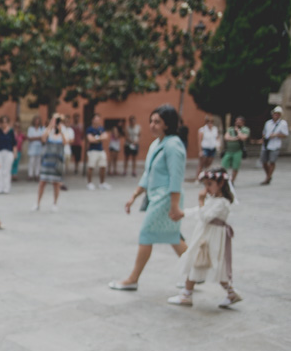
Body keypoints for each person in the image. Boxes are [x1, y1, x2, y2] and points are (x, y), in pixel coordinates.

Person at [110, 104, 188, 290]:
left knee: (146, 234)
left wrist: (175, 205)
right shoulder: (157, 144)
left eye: (157, 122)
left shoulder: (173, 145)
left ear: (167, 125)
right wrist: (135, 195)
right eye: (151, 121)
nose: (152, 125)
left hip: (166, 199)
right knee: (173, 237)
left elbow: (176, 177)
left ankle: (133, 279)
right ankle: (195, 272)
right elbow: (148, 174)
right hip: (156, 197)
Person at [168, 167, 242, 308]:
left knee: (199, 262)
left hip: (210, 238)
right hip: (205, 235)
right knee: (202, 263)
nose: (206, 188)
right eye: (205, 184)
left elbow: (205, 217)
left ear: (220, 184)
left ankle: (186, 294)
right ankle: (231, 293)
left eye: (210, 184)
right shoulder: (213, 199)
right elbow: (199, 211)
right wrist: (183, 214)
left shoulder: (223, 203)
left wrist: (201, 201)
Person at [36, 114, 66, 211]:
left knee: (56, 183)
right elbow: (43, 139)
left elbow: (66, 143)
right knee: (42, 182)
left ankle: (55, 204)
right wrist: (50, 126)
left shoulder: (63, 130)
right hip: (47, 161)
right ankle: (37, 203)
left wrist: (60, 131)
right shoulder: (48, 130)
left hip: (57, 162)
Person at [260, 106, 288, 185]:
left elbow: (285, 135)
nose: (276, 115)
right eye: (275, 114)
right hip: (266, 144)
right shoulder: (268, 123)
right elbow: (264, 133)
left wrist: (276, 135)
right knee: (264, 161)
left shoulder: (283, 124)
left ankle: (268, 177)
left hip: (275, 145)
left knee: (272, 161)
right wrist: (264, 138)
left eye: (277, 114)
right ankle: (268, 175)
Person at [0, 114, 18, 194]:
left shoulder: (11, 131)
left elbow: (14, 143)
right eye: (2, 122)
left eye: (5, 122)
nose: (4, 124)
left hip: (8, 152)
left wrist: (15, 153)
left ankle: (6, 187)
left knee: (7, 170)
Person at [221, 116, 250, 184]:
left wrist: (238, 131)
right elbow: (226, 137)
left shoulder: (245, 129)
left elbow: (243, 137)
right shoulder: (230, 129)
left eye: (239, 122)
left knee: (235, 167)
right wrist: (235, 138)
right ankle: (223, 180)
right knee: (223, 166)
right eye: (236, 121)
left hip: (238, 151)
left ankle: (232, 181)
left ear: (243, 122)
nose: (237, 123)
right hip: (229, 151)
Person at [86, 114, 110, 190]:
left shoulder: (101, 128)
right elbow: (90, 140)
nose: (97, 121)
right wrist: (100, 138)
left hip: (101, 150)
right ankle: (89, 183)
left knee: (103, 166)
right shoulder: (89, 129)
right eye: (96, 119)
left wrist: (96, 138)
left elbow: (106, 136)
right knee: (91, 167)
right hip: (92, 151)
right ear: (93, 120)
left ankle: (102, 183)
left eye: (98, 120)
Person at [25, 115, 46, 180]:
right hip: (32, 147)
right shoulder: (30, 129)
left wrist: (36, 138)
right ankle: (30, 174)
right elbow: (29, 138)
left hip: (39, 147)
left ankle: (37, 174)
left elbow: (43, 138)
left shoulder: (42, 128)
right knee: (31, 162)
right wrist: (39, 138)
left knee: (38, 162)